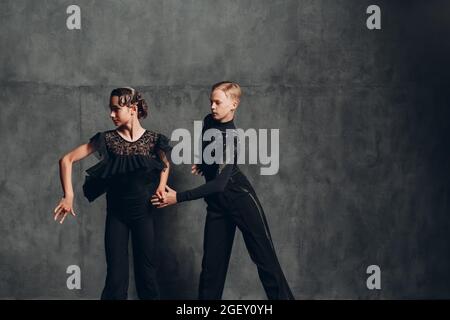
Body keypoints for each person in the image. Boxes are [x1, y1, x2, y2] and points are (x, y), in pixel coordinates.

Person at [151, 81, 294, 300]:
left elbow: (219, 184)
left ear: (233, 104)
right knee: (211, 269)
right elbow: (210, 153)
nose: (213, 107)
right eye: (211, 102)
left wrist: (177, 197)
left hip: (240, 200)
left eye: (218, 102)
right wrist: (204, 164)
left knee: (265, 261)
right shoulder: (209, 121)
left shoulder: (231, 137)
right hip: (217, 205)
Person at [53, 87, 172, 300]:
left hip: (144, 215)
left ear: (133, 109)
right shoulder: (107, 139)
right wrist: (68, 195)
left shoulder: (154, 140)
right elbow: (66, 160)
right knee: (116, 278)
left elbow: (164, 163)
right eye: (110, 109)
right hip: (117, 216)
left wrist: (161, 185)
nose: (111, 114)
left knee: (147, 276)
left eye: (116, 109)